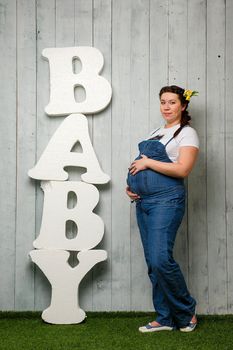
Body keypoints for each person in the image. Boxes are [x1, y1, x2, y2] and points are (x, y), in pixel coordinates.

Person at [126, 85, 199, 333]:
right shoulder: (156, 132)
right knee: (152, 262)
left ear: (183, 106)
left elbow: (182, 170)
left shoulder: (186, 134)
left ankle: (186, 310)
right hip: (144, 202)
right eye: (163, 102)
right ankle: (164, 317)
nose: (166, 107)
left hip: (167, 201)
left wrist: (148, 162)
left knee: (160, 259)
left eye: (172, 102)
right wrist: (132, 185)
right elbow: (141, 164)